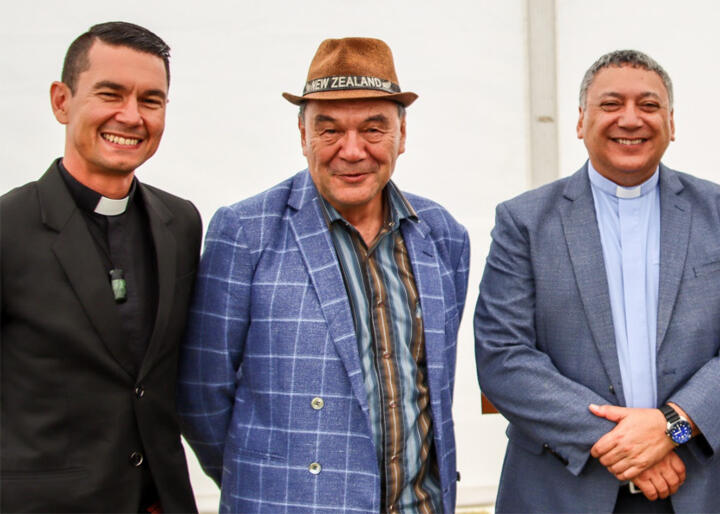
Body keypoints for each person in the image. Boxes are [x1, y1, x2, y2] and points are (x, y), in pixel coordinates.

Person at [178, 37, 469, 513]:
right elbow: (201, 397)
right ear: (301, 135)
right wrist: (274, 478)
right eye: (328, 130)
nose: (351, 151)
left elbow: (434, 387)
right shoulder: (246, 233)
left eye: (374, 129)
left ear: (402, 133)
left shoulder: (442, 235)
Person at [475, 49, 720, 513]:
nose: (630, 119)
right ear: (580, 121)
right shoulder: (525, 222)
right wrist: (626, 443)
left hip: (700, 489)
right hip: (562, 491)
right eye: (611, 104)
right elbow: (502, 357)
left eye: (649, 106)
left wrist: (672, 427)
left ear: (671, 123)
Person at [1, 22, 200, 513]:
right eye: (110, 93)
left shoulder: (182, 223)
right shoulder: (6, 228)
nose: (131, 116)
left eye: (151, 100)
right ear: (61, 101)